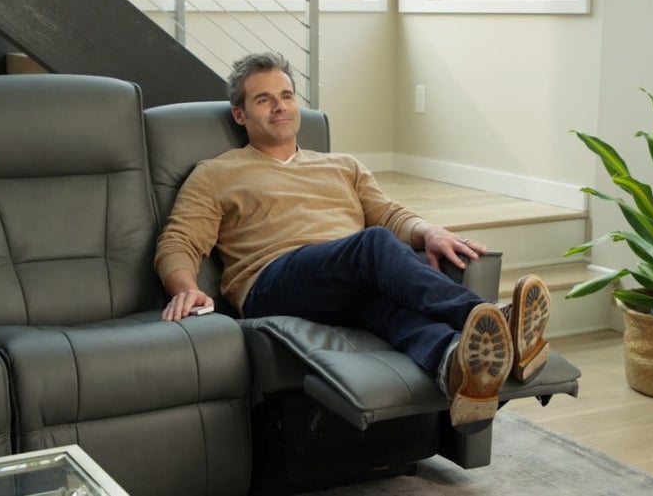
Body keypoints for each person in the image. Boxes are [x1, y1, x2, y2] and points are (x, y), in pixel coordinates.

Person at [155, 52, 550, 431]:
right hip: (272, 282)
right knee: (372, 243)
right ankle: (490, 318)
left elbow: (389, 213)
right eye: (264, 99)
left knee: (387, 306)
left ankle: (460, 366)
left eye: (287, 96)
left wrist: (429, 231)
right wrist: (185, 289)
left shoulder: (342, 165)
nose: (279, 106)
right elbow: (178, 241)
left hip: (347, 278)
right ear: (240, 114)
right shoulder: (215, 173)